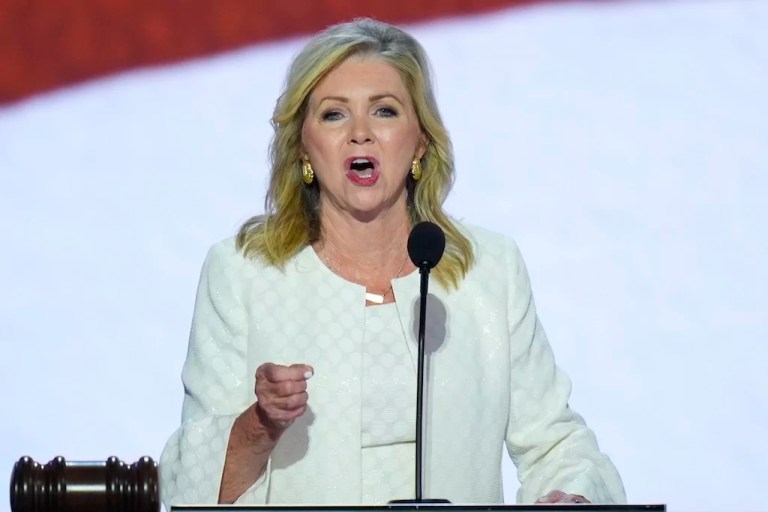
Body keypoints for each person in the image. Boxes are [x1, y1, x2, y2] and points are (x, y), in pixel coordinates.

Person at [159, 17, 626, 509]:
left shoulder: (487, 270)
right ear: (304, 148)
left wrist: (570, 496)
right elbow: (191, 486)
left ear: (420, 142)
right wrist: (261, 423)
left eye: (384, 111)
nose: (361, 134)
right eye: (334, 115)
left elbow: (553, 439)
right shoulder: (243, 273)